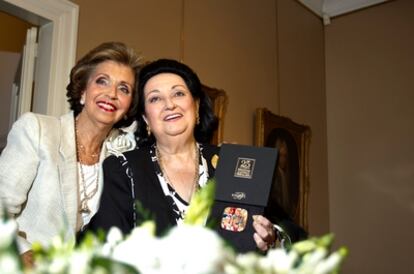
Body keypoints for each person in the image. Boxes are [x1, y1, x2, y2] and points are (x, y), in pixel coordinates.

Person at [86, 58, 279, 252]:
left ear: (196, 106)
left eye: (178, 94)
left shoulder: (230, 162)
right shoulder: (123, 168)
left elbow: (287, 230)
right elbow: (107, 249)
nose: (169, 104)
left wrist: (271, 237)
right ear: (146, 118)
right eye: (155, 98)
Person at [0, 41, 142, 267]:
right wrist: (22, 252)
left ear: (129, 105)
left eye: (124, 89)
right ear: (83, 90)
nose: (112, 94)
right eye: (102, 81)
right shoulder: (38, 130)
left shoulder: (123, 151)